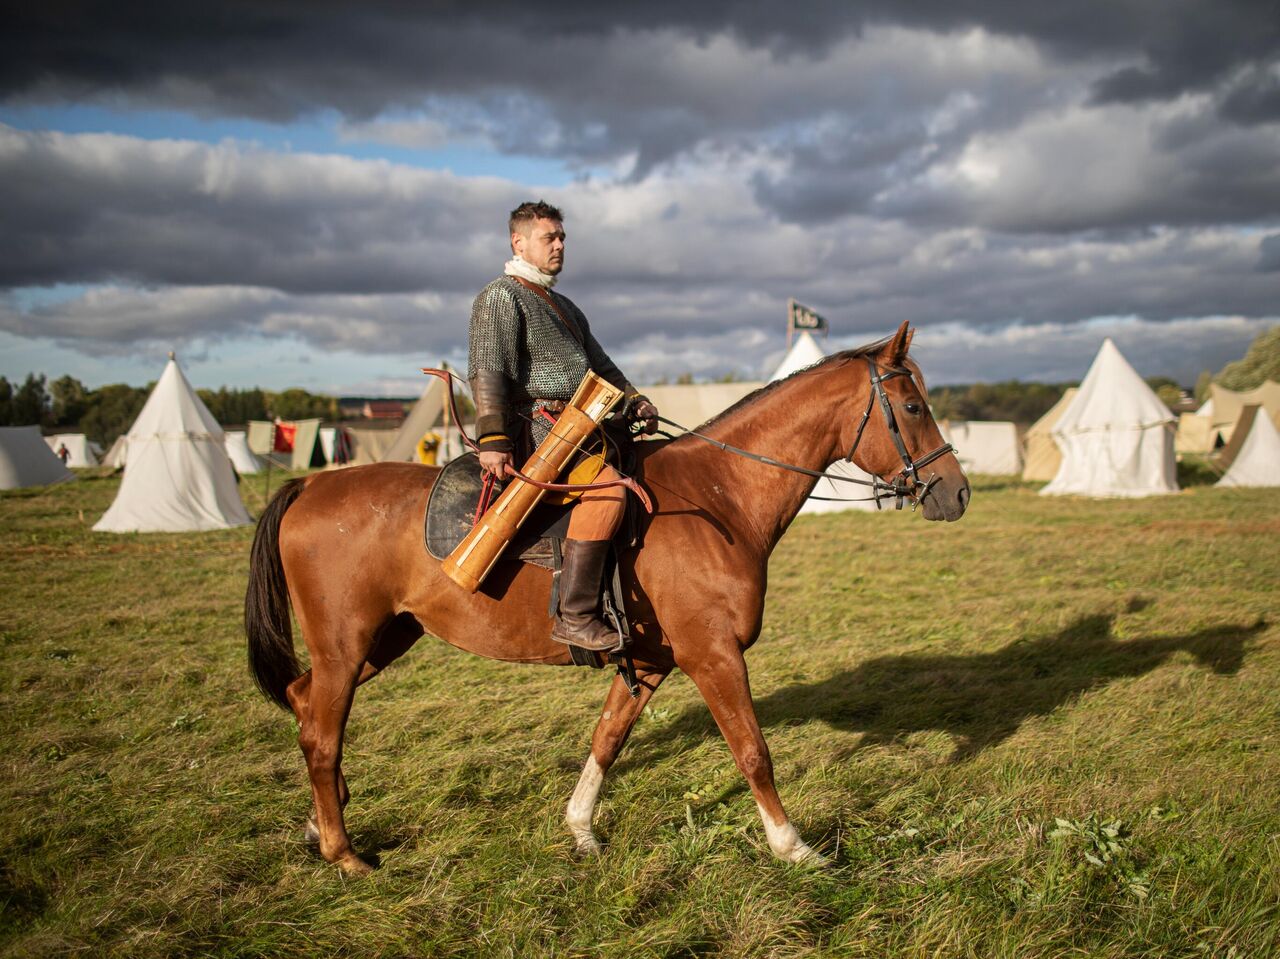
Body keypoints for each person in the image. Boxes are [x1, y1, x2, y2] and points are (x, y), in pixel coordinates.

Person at [468, 200, 659, 651]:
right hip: (539, 431)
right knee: (609, 490)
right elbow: (489, 371)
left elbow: (603, 367)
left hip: (584, 427)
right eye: (548, 238)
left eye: (562, 238)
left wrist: (636, 401)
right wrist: (493, 439)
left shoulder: (564, 305)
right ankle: (575, 616)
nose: (559, 246)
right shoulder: (501, 296)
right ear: (518, 242)